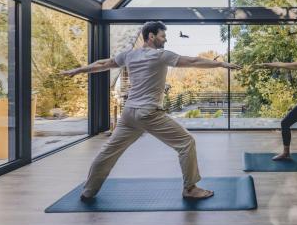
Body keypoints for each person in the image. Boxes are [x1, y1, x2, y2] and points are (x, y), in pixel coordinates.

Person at [61, 21, 241, 201]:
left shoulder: (129, 55)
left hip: (129, 113)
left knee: (108, 152)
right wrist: (220, 64)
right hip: (148, 113)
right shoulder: (161, 56)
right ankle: (190, 188)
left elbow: (103, 64)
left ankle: (89, 191)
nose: (165, 39)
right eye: (162, 36)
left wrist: (78, 70)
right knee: (186, 143)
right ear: (151, 36)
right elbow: (193, 61)